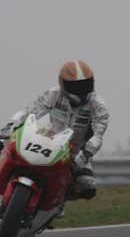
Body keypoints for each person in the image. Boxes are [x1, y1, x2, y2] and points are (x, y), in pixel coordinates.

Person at [0, 60, 110, 204]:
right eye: (75, 86)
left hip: (77, 153)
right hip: (47, 141)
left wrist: (81, 159)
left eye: (86, 84)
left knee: (87, 186)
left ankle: (57, 205)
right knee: (7, 150)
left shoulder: (99, 105)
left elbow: (97, 136)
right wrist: (10, 126)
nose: (81, 90)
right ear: (63, 83)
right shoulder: (53, 94)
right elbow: (30, 110)